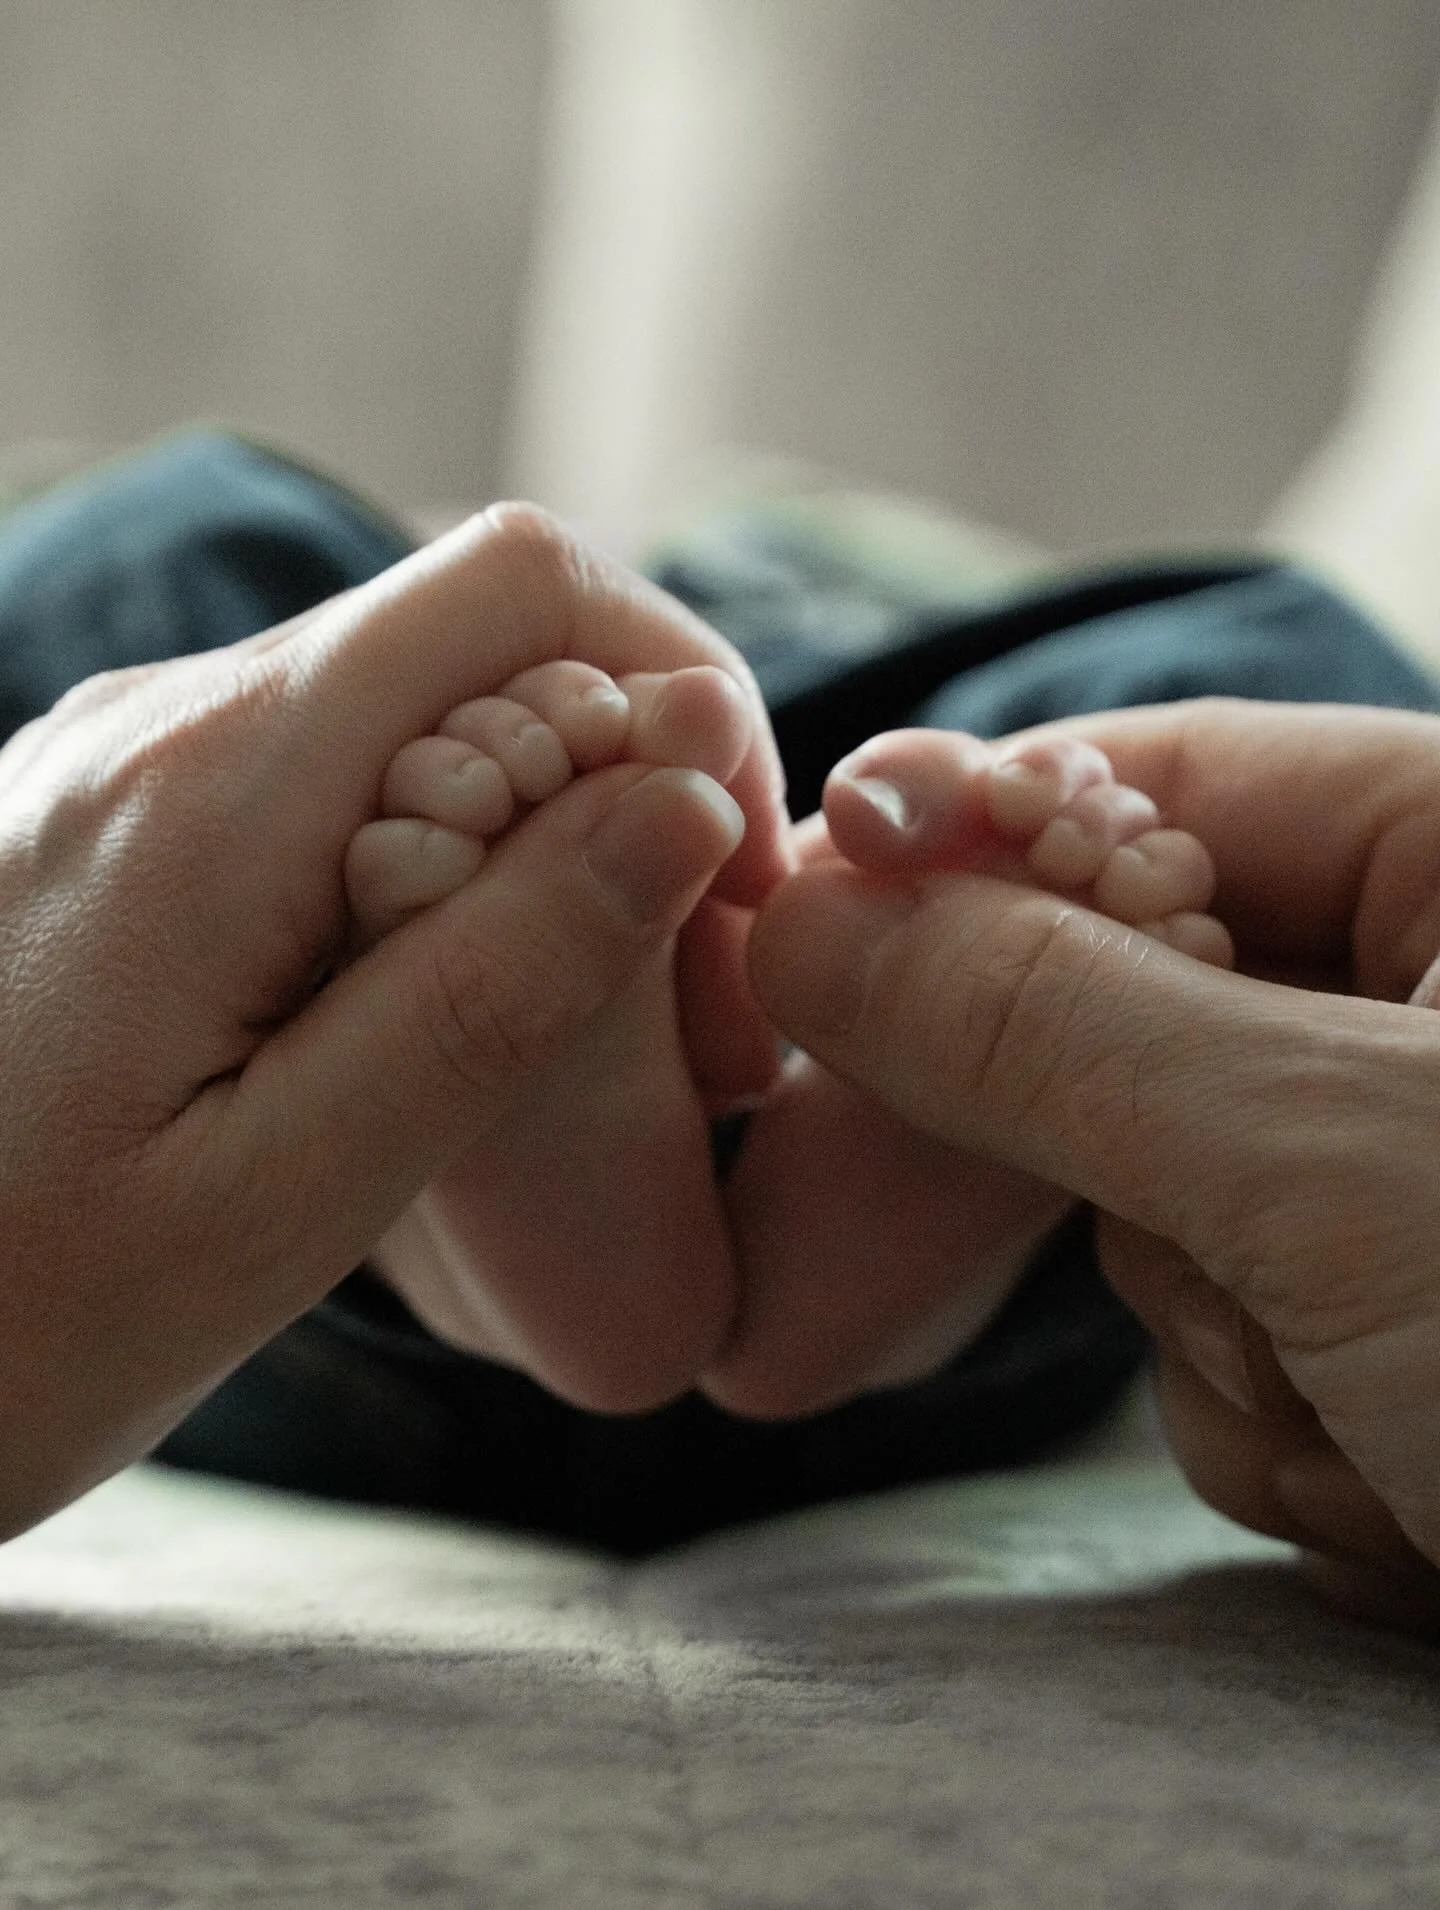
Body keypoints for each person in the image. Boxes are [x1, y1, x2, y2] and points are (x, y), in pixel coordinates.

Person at [5, 430, 1440, 1637]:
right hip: (1057, 1303)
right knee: (1269, 656)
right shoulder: (871, 569)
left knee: (172, 544)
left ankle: (414, 1075)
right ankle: (945, 1051)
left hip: (192, 1288)